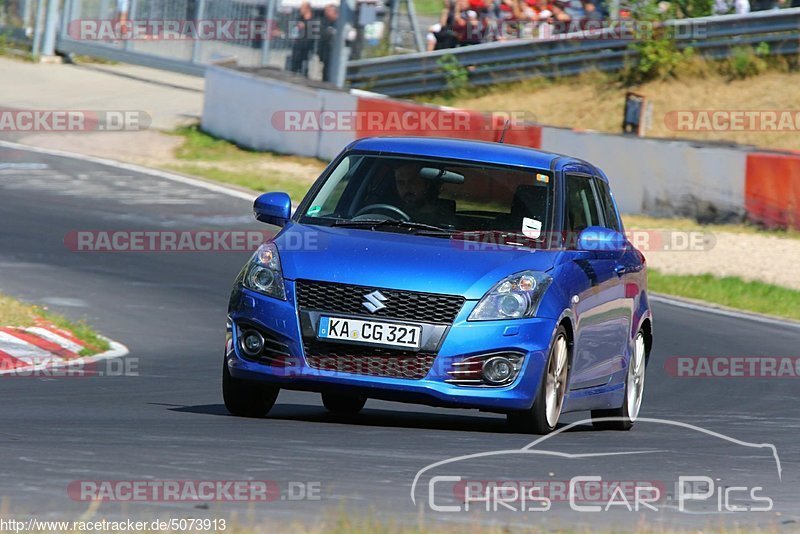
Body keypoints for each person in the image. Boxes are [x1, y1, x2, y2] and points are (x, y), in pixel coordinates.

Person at [288, 2, 315, 75]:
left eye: (302, 8)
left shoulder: (312, 20)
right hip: (297, 46)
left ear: (307, 9)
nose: (300, 10)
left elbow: (313, 35)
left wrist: (305, 26)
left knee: (304, 66)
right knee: (295, 66)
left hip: (306, 47)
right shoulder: (299, 19)